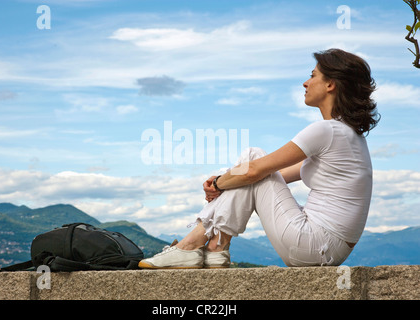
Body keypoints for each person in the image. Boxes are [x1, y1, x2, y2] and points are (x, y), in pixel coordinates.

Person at [139, 48, 380, 269]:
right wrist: (224, 182)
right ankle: (215, 248)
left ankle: (192, 246)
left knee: (253, 156)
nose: (305, 82)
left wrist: (217, 183)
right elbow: (269, 176)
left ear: (331, 84)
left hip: (315, 244)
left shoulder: (327, 131)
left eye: (313, 75)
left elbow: (255, 170)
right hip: (324, 247)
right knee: (249, 171)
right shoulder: (347, 135)